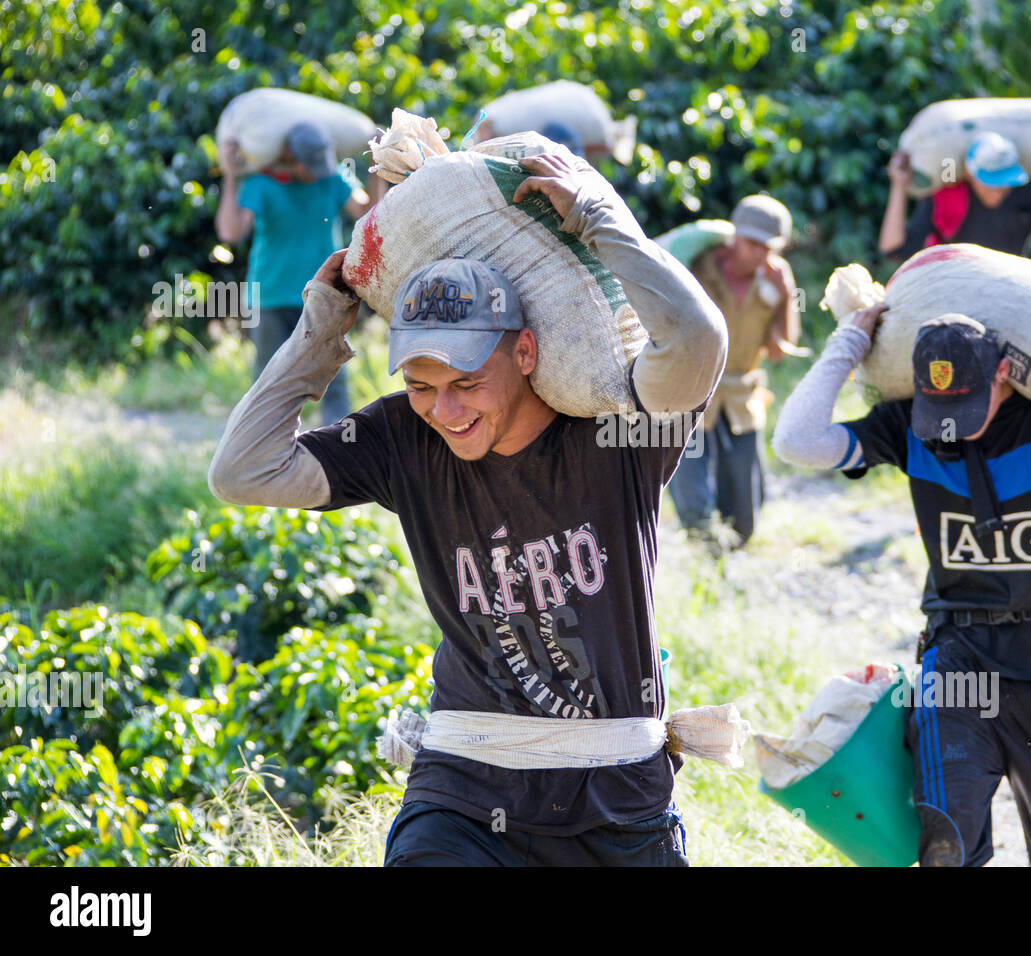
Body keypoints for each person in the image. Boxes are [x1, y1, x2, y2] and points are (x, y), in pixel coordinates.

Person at [207, 151, 727, 866]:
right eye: (422, 384)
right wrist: (319, 333)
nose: (445, 411)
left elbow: (699, 344)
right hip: (464, 789)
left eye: (467, 382)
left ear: (524, 352)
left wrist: (601, 221)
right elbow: (241, 471)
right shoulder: (400, 438)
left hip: (616, 798)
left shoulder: (614, 429)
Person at [772, 305, 1031, 867]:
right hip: (957, 654)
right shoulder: (909, 428)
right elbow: (795, 441)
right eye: (940, 406)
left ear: (1003, 373)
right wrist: (848, 340)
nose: (952, 421)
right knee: (946, 841)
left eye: (965, 404)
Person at [216, 121, 384, 424]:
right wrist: (230, 174)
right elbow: (230, 230)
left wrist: (376, 166)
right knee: (268, 381)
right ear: (291, 157)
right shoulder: (262, 184)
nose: (316, 173)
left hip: (324, 295)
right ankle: (262, 452)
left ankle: (339, 452)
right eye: (310, 166)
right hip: (271, 296)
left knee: (333, 380)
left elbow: (371, 214)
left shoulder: (332, 179)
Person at [667, 195, 800, 547]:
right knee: (691, 489)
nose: (758, 253)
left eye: (767, 247)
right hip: (691, 390)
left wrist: (787, 297)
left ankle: (732, 545)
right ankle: (701, 548)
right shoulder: (699, 267)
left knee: (745, 513)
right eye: (752, 242)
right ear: (734, 236)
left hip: (741, 396)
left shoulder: (774, 281)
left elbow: (778, 351)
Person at [879, 101, 1031, 260]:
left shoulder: (1025, 195)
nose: (999, 190)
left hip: (1007, 291)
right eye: (990, 181)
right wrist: (898, 186)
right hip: (956, 292)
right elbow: (894, 249)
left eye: (1003, 181)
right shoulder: (947, 199)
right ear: (969, 173)